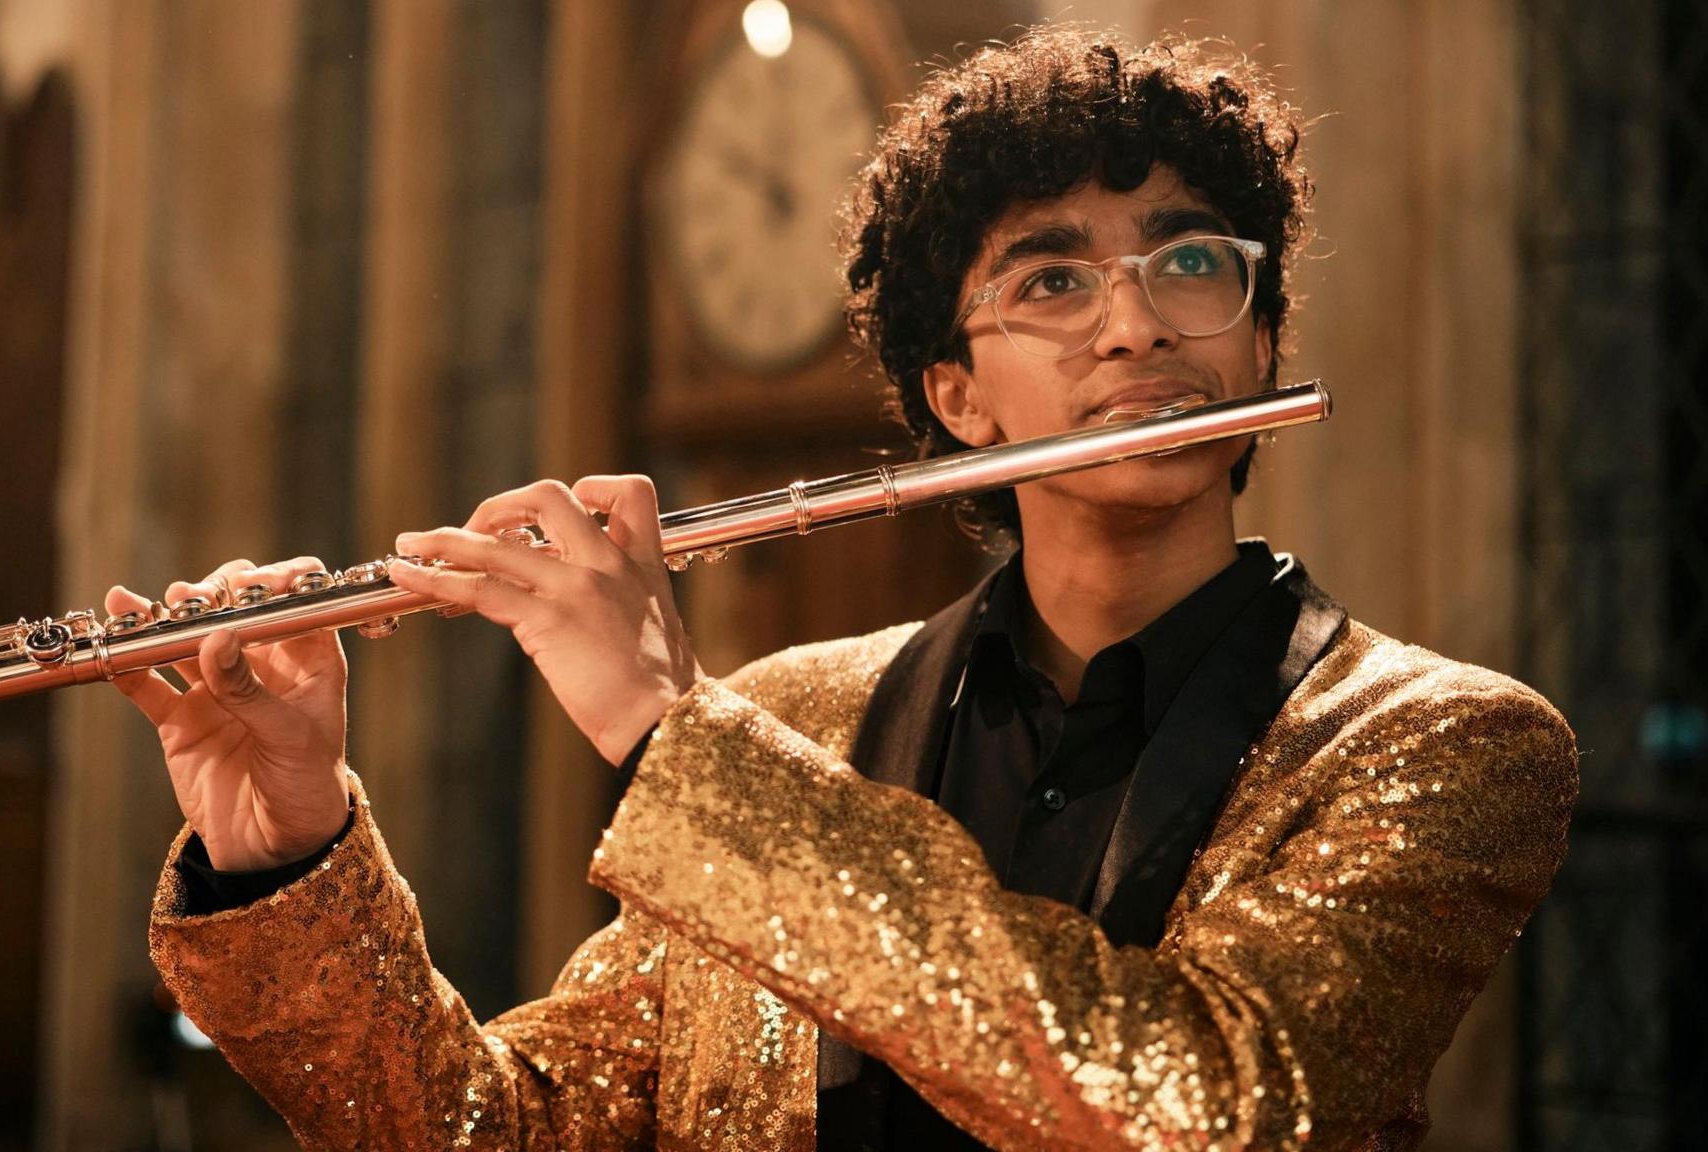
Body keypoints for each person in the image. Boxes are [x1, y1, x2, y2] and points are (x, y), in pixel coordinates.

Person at [111, 25, 1578, 1151]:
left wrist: (667, 737)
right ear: (960, 396)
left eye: (1192, 263)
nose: (1134, 324)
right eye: (1053, 284)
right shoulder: (791, 718)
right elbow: (507, 1125)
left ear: (1259, 348)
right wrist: (292, 853)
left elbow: (1199, 1102)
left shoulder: (1442, 745)